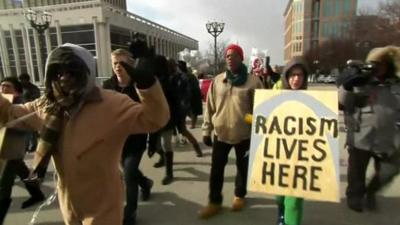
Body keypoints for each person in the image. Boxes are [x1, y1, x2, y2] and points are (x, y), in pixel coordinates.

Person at [0, 43, 169, 225]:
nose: (64, 79)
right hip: (68, 203)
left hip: (103, 205)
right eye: (58, 73)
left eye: (72, 72)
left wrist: (148, 86)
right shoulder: (46, 105)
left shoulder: (112, 104)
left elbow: (155, 119)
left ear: (86, 72)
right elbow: (9, 114)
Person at [199, 44, 263, 219]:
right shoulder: (218, 81)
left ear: (241, 58)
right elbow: (209, 107)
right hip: (221, 134)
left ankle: (239, 196)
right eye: (227, 55)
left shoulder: (253, 82)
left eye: (234, 55)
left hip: (244, 135)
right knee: (216, 170)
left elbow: (260, 111)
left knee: (243, 168)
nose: (229, 57)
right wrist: (206, 130)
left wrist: (247, 120)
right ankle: (214, 202)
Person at [337, 45, 400, 212]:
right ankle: (355, 197)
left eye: (381, 64)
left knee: (389, 170)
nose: (377, 68)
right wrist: (347, 86)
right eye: (374, 64)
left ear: (388, 65)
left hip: (388, 138)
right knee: (356, 173)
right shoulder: (360, 81)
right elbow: (342, 103)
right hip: (361, 137)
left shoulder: (395, 84)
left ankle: (371, 191)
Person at [102, 48, 154, 225]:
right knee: (128, 170)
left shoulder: (139, 86)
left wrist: (154, 139)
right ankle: (146, 183)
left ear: (130, 65)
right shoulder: (107, 86)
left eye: (122, 63)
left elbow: (151, 111)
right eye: (115, 63)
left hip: (136, 138)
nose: (118, 66)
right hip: (116, 140)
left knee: (129, 173)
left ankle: (130, 213)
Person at [0, 77, 45, 225]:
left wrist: (11, 125)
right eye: (1, 86)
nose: (3, 89)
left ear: (17, 91)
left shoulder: (20, 105)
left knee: (3, 186)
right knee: (23, 172)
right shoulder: (2, 104)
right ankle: (37, 193)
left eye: (7, 86)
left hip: (12, 149)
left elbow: (31, 127)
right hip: (4, 150)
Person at [273, 57, 309, 225]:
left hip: (301, 157)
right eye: (293, 75)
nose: (296, 79)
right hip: (279, 155)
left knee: (294, 200)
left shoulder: (312, 100)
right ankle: (281, 213)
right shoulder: (276, 95)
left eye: (300, 75)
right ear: (287, 77)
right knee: (280, 195)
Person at [168, 59, 203, 157]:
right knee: (171, 130)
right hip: (171, 108)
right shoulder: (168, 77)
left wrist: (184, 106)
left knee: (183, 130)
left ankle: (197, 148)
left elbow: (187, 93)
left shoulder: (182, 77)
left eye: (171, 66)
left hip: (179, 109)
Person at [177, 61, 203, 129]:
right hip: (192, 93)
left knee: (191, 110)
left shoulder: (185, 76)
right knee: (191, 110)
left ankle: (192, 124)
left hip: (191, 94)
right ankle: (192, 123)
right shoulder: (190, 75)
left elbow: (187, 87)